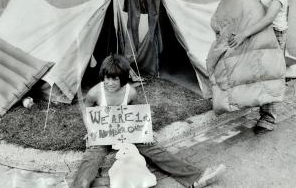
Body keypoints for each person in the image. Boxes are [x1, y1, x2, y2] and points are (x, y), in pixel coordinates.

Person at [72, 54, 226, 188]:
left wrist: (145, 131)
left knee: (154, 148)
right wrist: (91, 130)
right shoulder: (95, 92)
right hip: (105, 132)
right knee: (91, 157)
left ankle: (195, 177)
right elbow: (86, 110)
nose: (110, 83)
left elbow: (137, 114)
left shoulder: (131, 92)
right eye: (107, 78)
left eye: (115, 79)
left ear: (123, 79)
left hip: (127, 131)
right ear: (102, 77)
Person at [228, 0, 290, 134]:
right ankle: (251, 101)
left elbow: (267, 19)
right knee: (252, 69)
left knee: (269, 76)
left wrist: (243, 34)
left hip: (274, 34)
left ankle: (268, 118)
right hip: (255, 30)